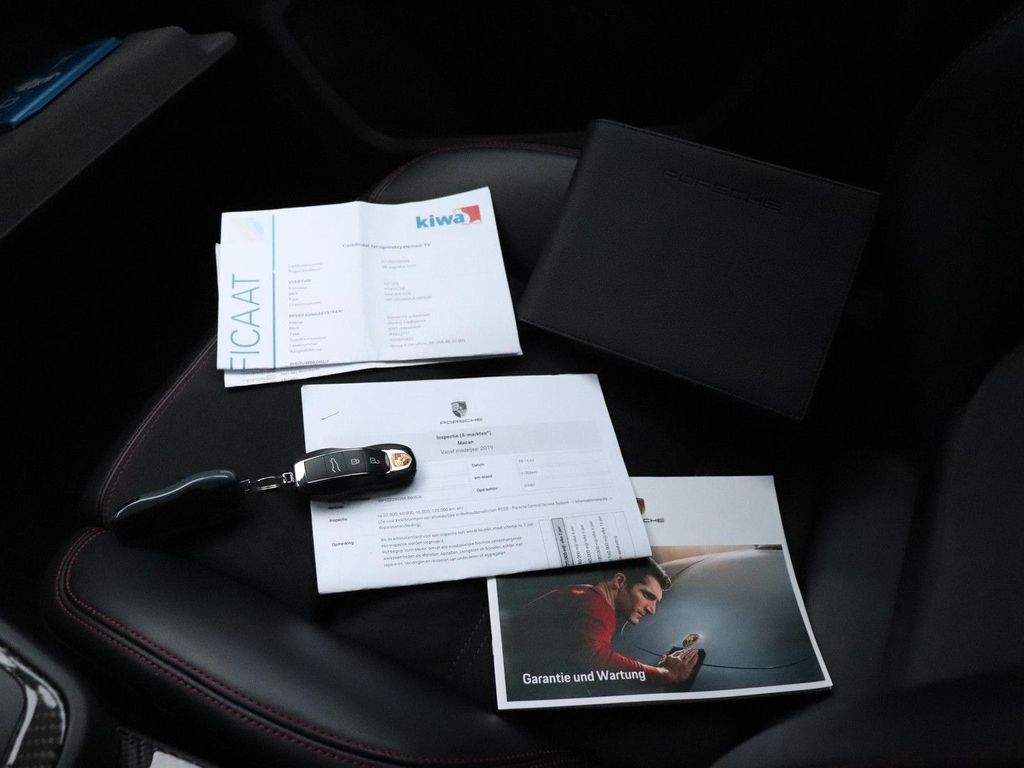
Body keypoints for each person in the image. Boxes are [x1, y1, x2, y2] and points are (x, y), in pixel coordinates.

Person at [517, 558, 700, 686]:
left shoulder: (588, 594)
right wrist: (665, 674)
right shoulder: (597, 608)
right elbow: (594, 658)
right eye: (646, 595)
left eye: (656, 602)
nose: (652, 609)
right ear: (620, 581)